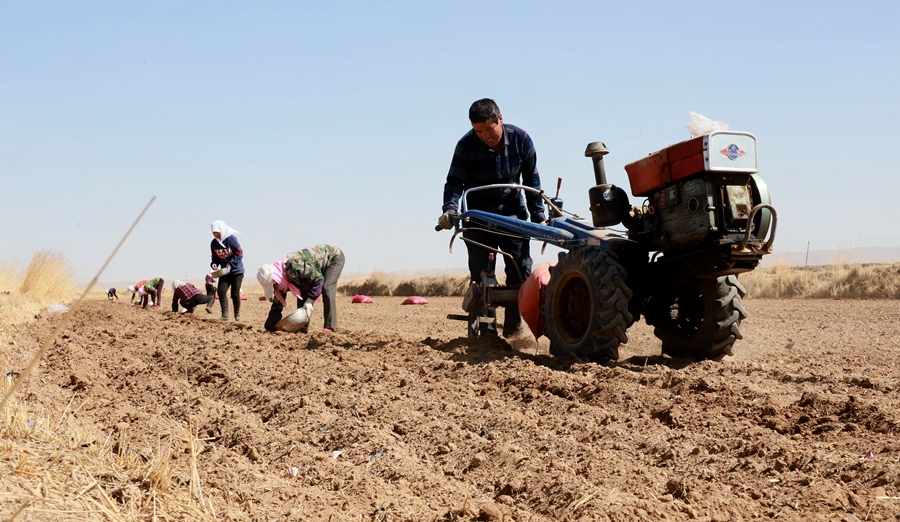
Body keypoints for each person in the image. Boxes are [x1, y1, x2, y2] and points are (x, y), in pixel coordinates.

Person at [438, 98, 545, 338]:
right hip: (479, 218)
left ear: (500, 119)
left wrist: (538, 218)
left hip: (512, 216)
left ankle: (514, 328)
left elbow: (532, 181)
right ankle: (486, 330)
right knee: (483, 277)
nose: (485, 135)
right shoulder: (465, 146)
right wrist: (450, 209)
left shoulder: (521, 140)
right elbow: (454, 183)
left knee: (520, 273)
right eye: (478, 131)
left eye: (489, 129)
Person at [257, 245, 345, 333]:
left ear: (275, 278)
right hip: (314, 269)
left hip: (333, 257)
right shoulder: (281, 278)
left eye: (274, 285)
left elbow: (318, 280)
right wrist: (270, 327)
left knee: (327, 288)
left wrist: (310, 301)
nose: (275, 288)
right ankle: (302, 328)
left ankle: (330, 326)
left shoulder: (295, 266)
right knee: (303, 292)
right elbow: (277, 305)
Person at [210, 220, 245, 321]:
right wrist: (214, 264)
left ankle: (237, 315)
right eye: (213, 232)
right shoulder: (214, 243)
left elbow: (240, 253)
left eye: (217, 232)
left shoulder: (231, 240)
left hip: (236, 271)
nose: (215, 234)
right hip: (225, 272)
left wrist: (230, 265)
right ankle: (225, 315)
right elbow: (214, 257)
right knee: (221, 292)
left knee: (235, 293)